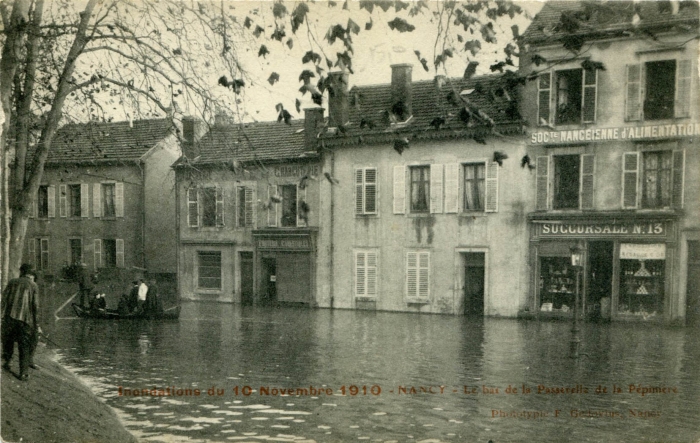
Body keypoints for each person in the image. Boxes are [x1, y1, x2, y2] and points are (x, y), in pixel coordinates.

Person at [2, 263, 40, 381]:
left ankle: (8, 362)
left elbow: (4, 300)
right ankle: (23, 373)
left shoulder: (12, 282)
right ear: (30, 274)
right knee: (24, 345)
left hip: (10, 318)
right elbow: (35, 306)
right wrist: (36, 324)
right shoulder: (33, 285)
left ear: (21, 272)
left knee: (8, 341)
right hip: (25, 320)